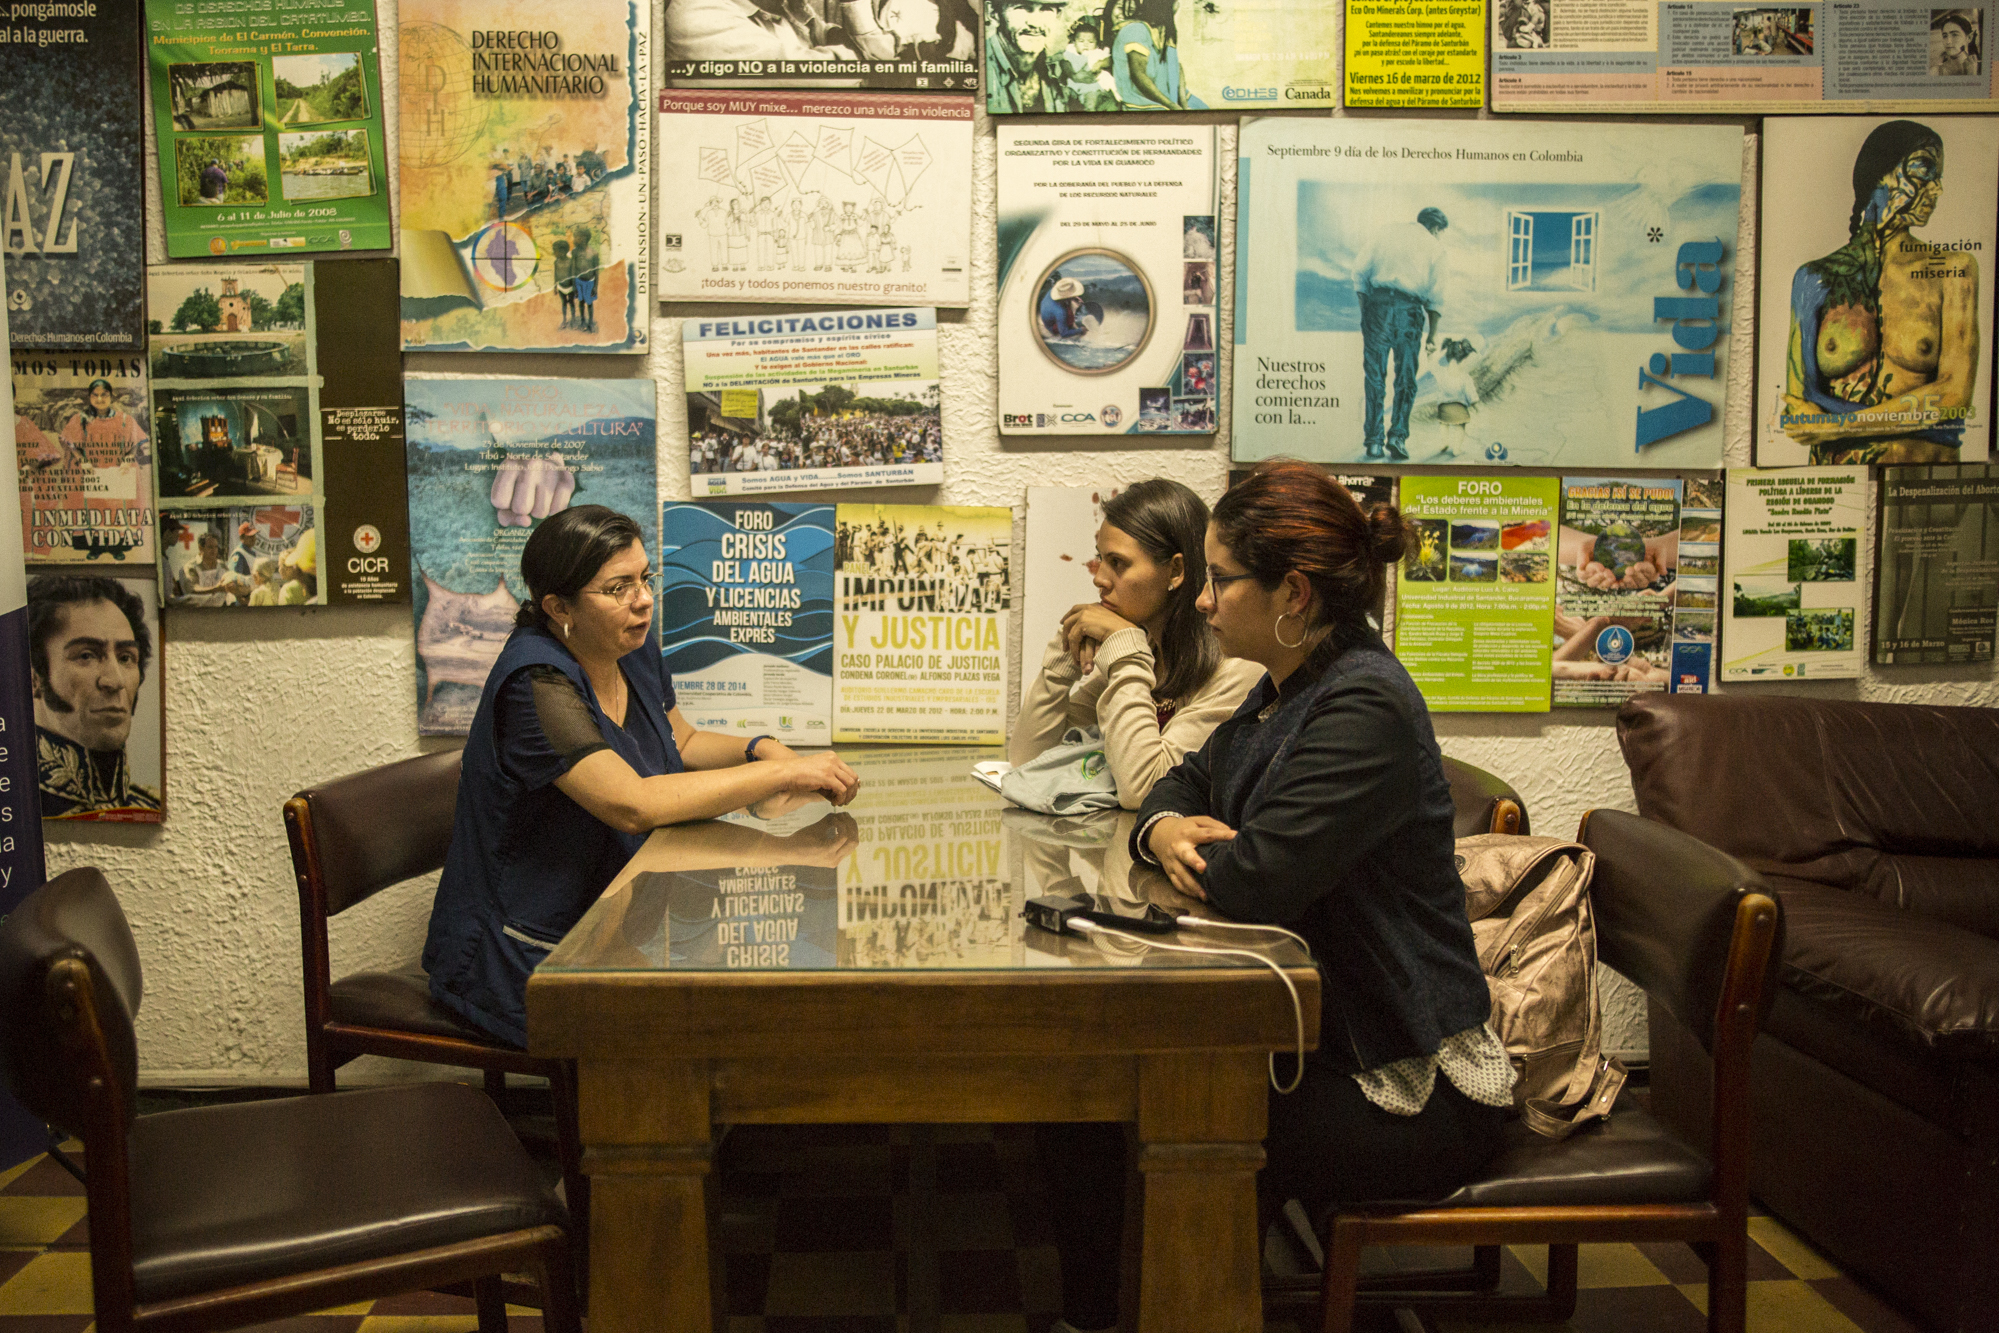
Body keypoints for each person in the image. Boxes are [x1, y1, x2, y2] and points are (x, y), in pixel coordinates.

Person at [1040, 461, 1512, 1333]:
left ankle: (1175, 1309)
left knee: (1133, 1116)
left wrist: (1199, 841)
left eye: (1220, 579)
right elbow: (1179, 783)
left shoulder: (1360, 703)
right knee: (1079, 1101)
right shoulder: (1286, 686)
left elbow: (1254, 881)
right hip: (1316, 1033)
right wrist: (1166, 831)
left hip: (1402, 1075)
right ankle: (1109, 1312)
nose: (1206, 601)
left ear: (1292, 591)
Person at [423, 506, 862, 1046]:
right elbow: (632, 804)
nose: (644, 599)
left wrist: (764, 749)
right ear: (558, 606)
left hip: (613, 914)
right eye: (618, 588)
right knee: (685, 1032)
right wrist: (780, 776)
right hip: (527, 950)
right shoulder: (535, 683)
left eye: (645, 578)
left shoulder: (628, 646)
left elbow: (682, 742)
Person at [1011, 480, 1261, 810]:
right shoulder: (1145, 653)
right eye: (1100, 559)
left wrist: (1126, 650)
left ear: (1176, 570)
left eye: (1118, 563)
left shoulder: (1236, 669)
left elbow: (1145, 790)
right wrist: (1063, 658)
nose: (1099, 578)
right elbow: (1029, 759)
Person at [1781, 120, 1979, 464]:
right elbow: (1799, 409)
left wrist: (1835, 426)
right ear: (1881, 174)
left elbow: (1953, 396)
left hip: (1922, 489)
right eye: (1923, 171)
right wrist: (1913, 415)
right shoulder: (1815, 278)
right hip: (1834, 486)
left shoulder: (1953, 269)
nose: (1937, 190)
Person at [29, 574, 161, 819]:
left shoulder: (149, 806)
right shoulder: (15, 811)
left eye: (125, 658)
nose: (115, 681)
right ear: (34, 678)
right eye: (86, 655)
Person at [1354, 206, 1450, 461]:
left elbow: (1360, 273)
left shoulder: (1385, 233)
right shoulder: (1435, 247)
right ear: (1435, 228)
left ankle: (1374, 442)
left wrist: (1366, 313)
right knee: (1406, 378)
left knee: (1374, 376)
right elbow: (1436, 295)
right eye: (1440, 232)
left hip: (1377, 307)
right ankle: (1397, 436)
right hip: (1409, 313)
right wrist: (1432, 334)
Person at [1107, 0, 1203, 108]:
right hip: (1146, 104)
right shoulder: (1136, 30)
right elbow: (1139, 77)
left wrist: (1183, 103)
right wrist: (1173, 106)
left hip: (1171, 97)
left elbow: (1175, 67)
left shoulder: (1163, 32)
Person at [985, 0, 1072, 111]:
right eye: (1022, 8)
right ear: (993, 12)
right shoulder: (980, 66)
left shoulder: (1061, 70)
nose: (1035, 23)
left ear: (1058, 15)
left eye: (1046, 9)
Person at [60, 379, 149, 467]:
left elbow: (134, 444)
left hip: (120, 472)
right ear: (89, 397)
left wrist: (127, 460)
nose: (99, 399)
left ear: (110, 396)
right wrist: (83, 461)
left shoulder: (125, 419)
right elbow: (70, 443)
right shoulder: (79, 419)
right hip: (89, 472)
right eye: (95, 395)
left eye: (104, 395)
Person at [1039, 274, 1089, 339]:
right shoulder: (1060, 312)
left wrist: (1074, 298)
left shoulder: (1054, 290)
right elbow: (1064, 334)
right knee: (1068, 320)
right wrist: (1080, 330)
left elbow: (1063, 295)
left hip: (1048, 310)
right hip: (1051, 326)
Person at [1934, 10, 1979, 75]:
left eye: (1955, 35)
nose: (1948, 42)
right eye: (1945, 36)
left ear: (1969, 38)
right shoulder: (1935, 72)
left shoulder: (1980, 68)